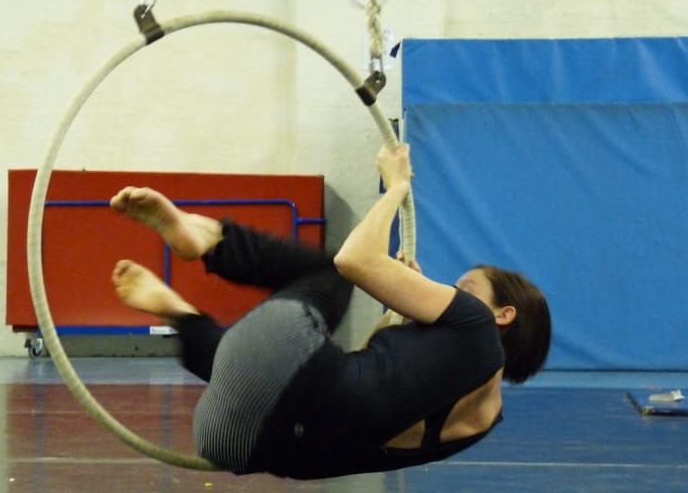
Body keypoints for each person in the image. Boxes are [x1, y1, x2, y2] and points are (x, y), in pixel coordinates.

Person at [108, 142, 551, 479]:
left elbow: (354, 261)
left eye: (465, 288)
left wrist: (397, 186)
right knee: (264, 364)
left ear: (503, 315)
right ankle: (177, 312)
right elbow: (364, 393)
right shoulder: (479, 422)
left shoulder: (475, 326)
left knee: (331, 277)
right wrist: (402, 309)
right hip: (232, 444)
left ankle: (209, 241)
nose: (452, 290)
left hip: (274, 370)